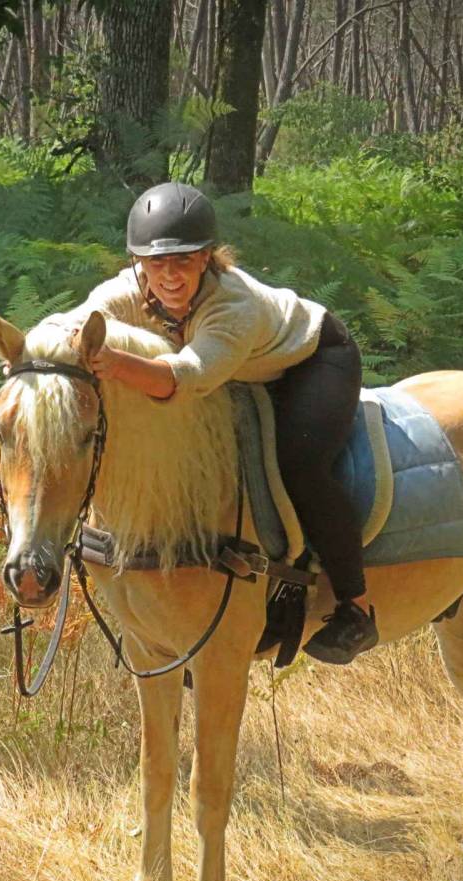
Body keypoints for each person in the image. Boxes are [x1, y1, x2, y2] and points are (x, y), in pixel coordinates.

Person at [79, 181, 377, 664]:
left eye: (184, 261)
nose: (169, 276)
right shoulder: (126, 289)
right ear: (139, 264)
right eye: (157, 263)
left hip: (313, 360)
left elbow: (185, 378)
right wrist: (33, 356)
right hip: (239, 372)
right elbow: (74, 322)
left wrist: (113, 362)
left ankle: (354, 606)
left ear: (207, 258)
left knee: (301, 463)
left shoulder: (234, 304)